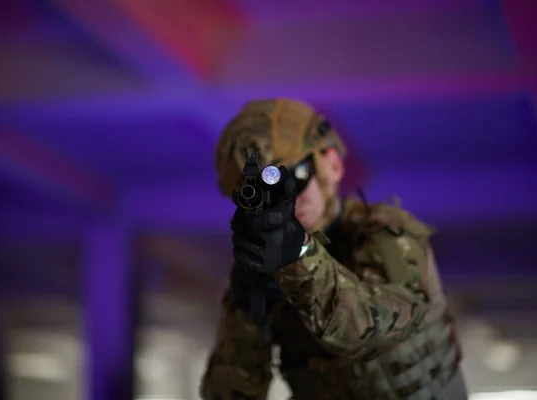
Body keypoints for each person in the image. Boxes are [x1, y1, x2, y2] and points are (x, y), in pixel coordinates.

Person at [200, 98, 468, 399]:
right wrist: (248, 311)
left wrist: (297, 253)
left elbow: (366, 330)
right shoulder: (266, 272)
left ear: (333, 165)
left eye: (293, 179)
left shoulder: (388, 236)